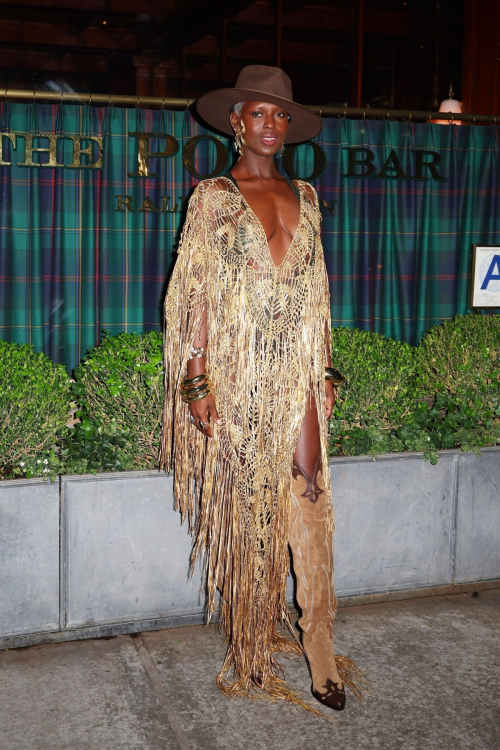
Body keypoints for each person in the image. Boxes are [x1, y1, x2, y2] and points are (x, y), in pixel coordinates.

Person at [160, 65, 365, 715]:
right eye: (258, 113)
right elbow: (192, 293)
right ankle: (249, 645)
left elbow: (316, 293)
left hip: (296, 369)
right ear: (236, 122)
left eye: (280, 115)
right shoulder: (213, 196)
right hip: (238, 370)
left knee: (311, 493)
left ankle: (322, 651)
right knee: (249, 509)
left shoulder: (305, 195)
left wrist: (324, 371)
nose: (270, 125)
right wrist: (197, 379)